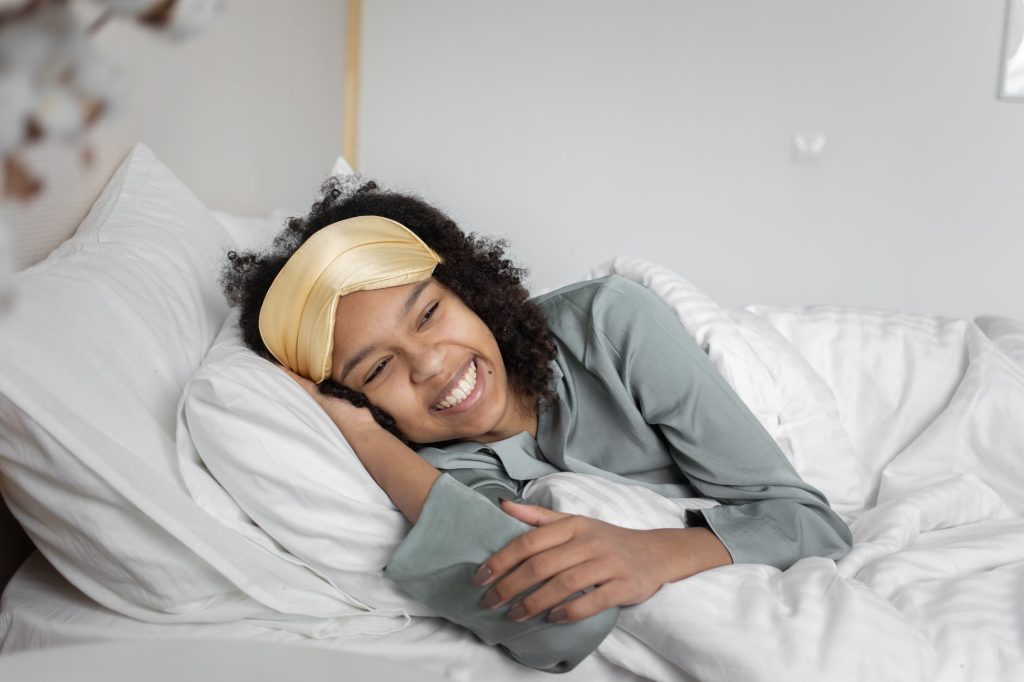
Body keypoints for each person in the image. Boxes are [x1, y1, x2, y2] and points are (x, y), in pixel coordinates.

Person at [221, 177, 853, 673]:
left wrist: (650, 553)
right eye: (380, 367)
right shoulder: (443, 473)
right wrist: (362, 439)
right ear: (354, 399)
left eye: (430, 313)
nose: (433, 365)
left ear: (470, 287)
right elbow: (556, 628)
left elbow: (812, 523)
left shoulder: (610, 324)